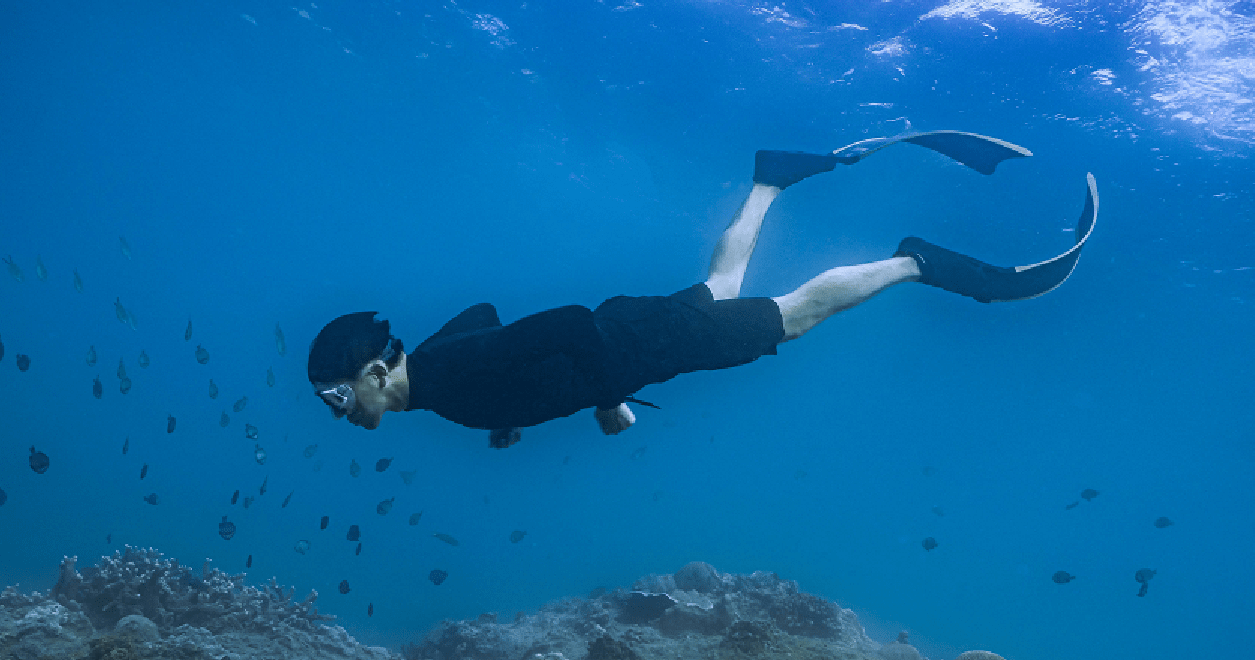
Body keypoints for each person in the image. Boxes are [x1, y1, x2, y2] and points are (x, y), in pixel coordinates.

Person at [308, 130, 1098, 447]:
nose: (341, 414)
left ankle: (923, 263)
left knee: (794, 317)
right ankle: (771, 180)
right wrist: (504, 420)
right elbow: (483, 320)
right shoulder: (440, 375)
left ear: (375, 373)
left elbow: (564, 323)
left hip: (645, 343)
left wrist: (610, 397)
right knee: (721, 282)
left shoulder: (445, 379)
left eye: (339, 398)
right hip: (637, 330)